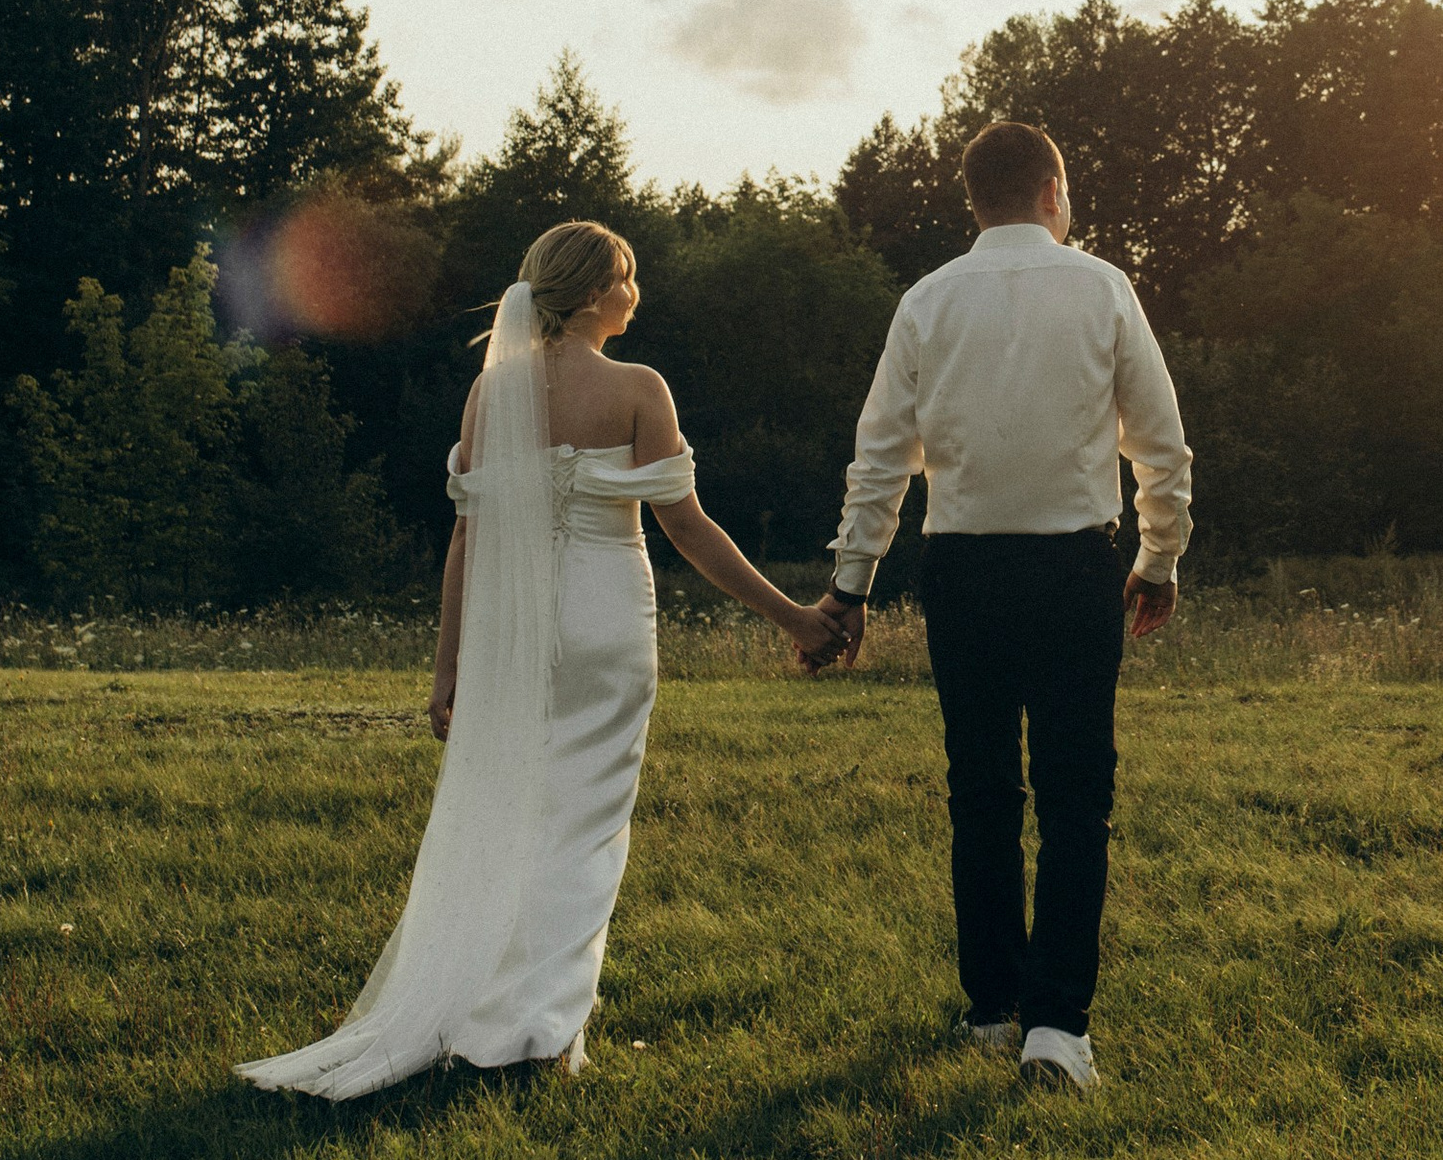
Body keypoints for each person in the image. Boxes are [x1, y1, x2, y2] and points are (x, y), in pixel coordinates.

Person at [240, 218, 838, 1098]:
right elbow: (688, 529)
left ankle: (494, 1011)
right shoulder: (637, 387)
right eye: (626, 277)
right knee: (585, 826)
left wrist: (447, 666)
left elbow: (466, 538)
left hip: (508, 628)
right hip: (605, 623)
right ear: (594, 293)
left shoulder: (492, 394)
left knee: (511, 818)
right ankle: (538, 1031)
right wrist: (796, 617)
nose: (635, 294)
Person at [818, 121, 1191, 1095]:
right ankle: (1055, 1031)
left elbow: (879, 460)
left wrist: (852, 586)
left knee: (980, 790)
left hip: (963, 571)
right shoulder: (1103, 288)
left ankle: (991, 1008)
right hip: (1073, 569)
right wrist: (1157, 558)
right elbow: (1160, 444)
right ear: (1054, 192)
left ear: (973, 202)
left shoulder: (926, 302)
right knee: (1075, 796)